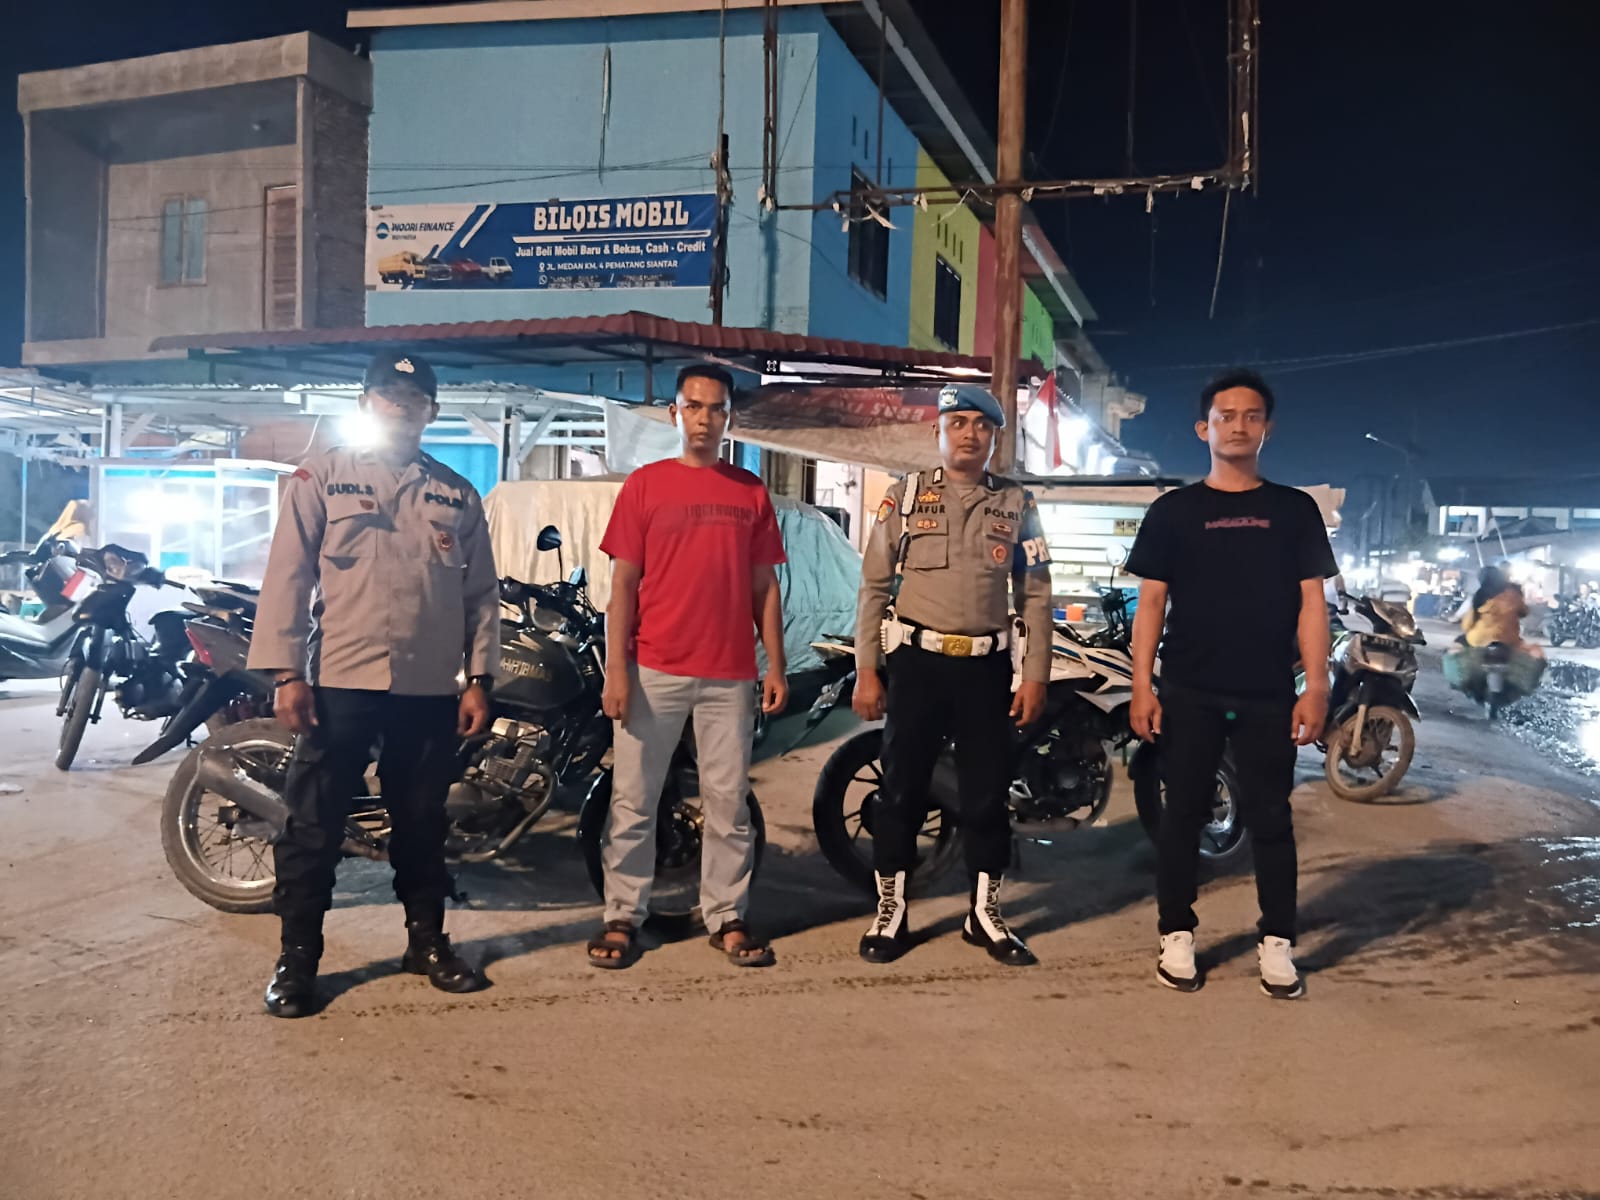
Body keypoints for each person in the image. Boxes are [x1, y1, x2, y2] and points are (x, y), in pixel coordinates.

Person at [249, 350, 499, 1018]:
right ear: (366, 404)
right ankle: (297, 960)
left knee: (422, 822)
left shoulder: (456, 495)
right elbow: (287, 577)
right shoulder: (321, 477)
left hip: (428, 687)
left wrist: (479, 678)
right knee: (314, 826)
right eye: (389, 396)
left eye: (414, 401)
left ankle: (427, 942)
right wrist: (286, 673)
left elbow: (481, 596)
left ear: (431, 413)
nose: (401, 408)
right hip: (341, 681)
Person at [1126, 369, 1336, 1000]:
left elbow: (1312, 603)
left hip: (1267, 691)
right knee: (1182, 816)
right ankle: (1176, 934)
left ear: (1267, 428)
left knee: (1271, 817)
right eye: (1226, 416)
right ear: (1204, 428)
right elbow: (1151, 604)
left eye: (1251, 416)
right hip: (1189, 689)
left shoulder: (1294, 510)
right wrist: (1142, 685)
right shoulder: (1173, 511)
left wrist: (1317, 685)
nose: (1238, 426)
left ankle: (1278, 941)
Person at [589, 363, 788, 970]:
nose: (704, 419)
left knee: (728, 803)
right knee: (634, 800)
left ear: (730, 418)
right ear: (675, 414)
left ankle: (727, 915)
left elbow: (765, 588)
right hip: (653, 668)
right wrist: (616, 670)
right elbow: (622, 587)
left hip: (730, 674)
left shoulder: (750, 491)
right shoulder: (645, 486)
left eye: (716, 409)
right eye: (693, 407)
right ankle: (623, 915)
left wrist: (775, 665)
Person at [853, 384, 1054, 967]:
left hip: (986, 669)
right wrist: (868, 669)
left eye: (981, 425)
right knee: (901, 791)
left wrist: (1035, 675)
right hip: (917, 664)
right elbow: (873, 587)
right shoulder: (905, 496)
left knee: (987, 795)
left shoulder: (1018, 503)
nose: (970, 434)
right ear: (938, 432)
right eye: (958, 422)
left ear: (995, 437)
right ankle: (891, 911)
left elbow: (1036, 593)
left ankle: (984, 914)